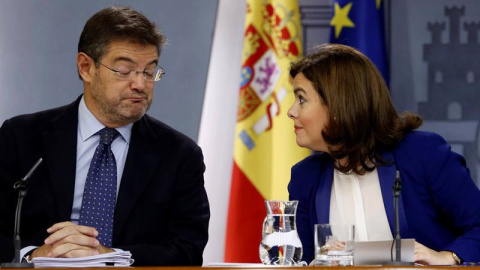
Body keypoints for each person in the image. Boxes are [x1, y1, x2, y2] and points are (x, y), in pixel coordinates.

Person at [0, 6, 210, 266]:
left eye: (149, 71)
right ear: (86, 67)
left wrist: (110, 257)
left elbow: (188, 250)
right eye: (124, 70)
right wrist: (34, 255)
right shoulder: (21, 137)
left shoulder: (179, 155)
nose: (140, 84)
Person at [287, 43, 480, 265]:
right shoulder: (305, 177)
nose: (291, 112)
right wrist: (320, 263)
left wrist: (448, 257)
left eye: (301, 99)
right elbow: (300, 262)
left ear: (338, 105)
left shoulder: (421, 154)